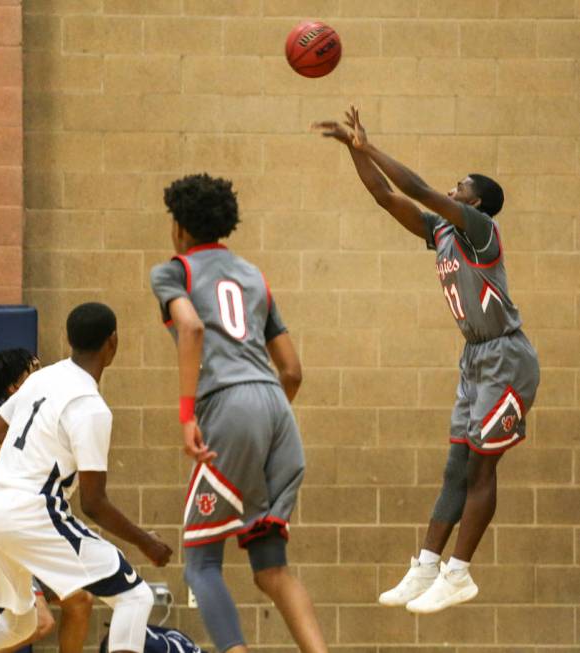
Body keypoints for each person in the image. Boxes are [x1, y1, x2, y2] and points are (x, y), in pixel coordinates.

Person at [315, 106, 540, 613]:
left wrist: (372, 146)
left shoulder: (479, 230)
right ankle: (427, 564)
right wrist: (357, 151)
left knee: (483, 470)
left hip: (507, 357)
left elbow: (417, 188)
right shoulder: (439, 234)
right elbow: (384, 195)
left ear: (475, 200)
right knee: (455, 468)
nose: (451, 189)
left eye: (459, 185)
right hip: (476, 359)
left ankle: (459, 573)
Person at [150, 173, 328, 653]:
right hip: (276, 408)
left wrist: (189, 416)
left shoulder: (173, 271)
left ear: (180, 226)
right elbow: (292, 370)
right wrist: (264, 426)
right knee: (271, 568)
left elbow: (190, 329)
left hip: (229, 406)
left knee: (201, 563)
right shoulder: (253, 275)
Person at [0, 303, 173, 653]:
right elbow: (93, 504)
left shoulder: (40, 379)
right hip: (33, 513)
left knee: (17, 623)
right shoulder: (90, 407)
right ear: (114, 342)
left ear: (68, 338)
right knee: (134, 596)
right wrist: (146, 542)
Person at [0, 347, 94, 653]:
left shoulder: (43, 418)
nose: (45, 372)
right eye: (35, 368)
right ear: (16, 388)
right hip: (13, 541)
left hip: (36, 535)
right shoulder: (8, 437)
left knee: (80, 601)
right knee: (38, 624)